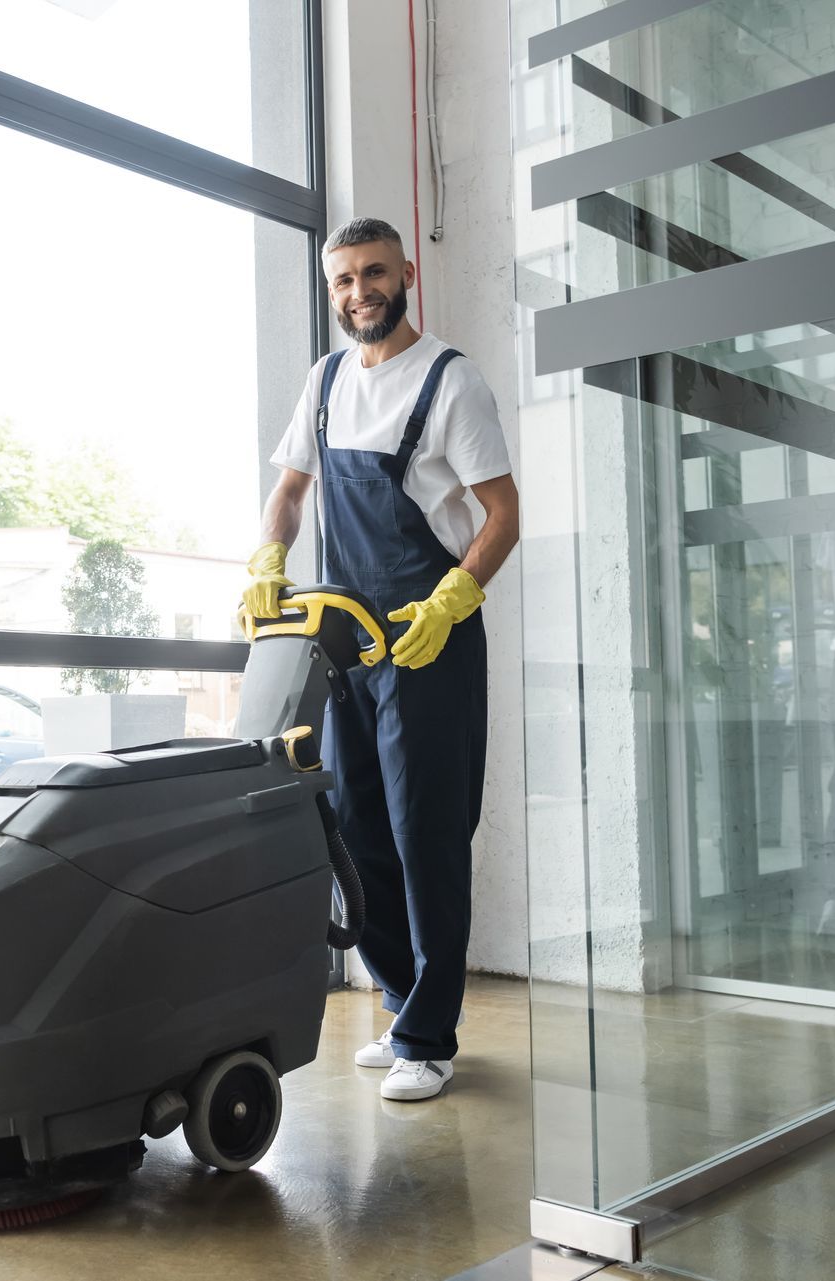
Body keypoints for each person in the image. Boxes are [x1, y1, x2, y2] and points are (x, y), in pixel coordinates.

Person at [244, 217, 518, 1102]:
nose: (358, 292)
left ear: (406, 276)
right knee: (358, 833)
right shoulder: (324, 382)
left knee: (427, 834)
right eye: (342, 280)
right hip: (347, 642)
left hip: (430, 641)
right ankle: (404, 1003)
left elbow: (502, 512)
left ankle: (430, 1037)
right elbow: (289, 491)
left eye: (373, 274)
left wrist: (452, 600)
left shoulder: (449, 382)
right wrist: (267, 558)